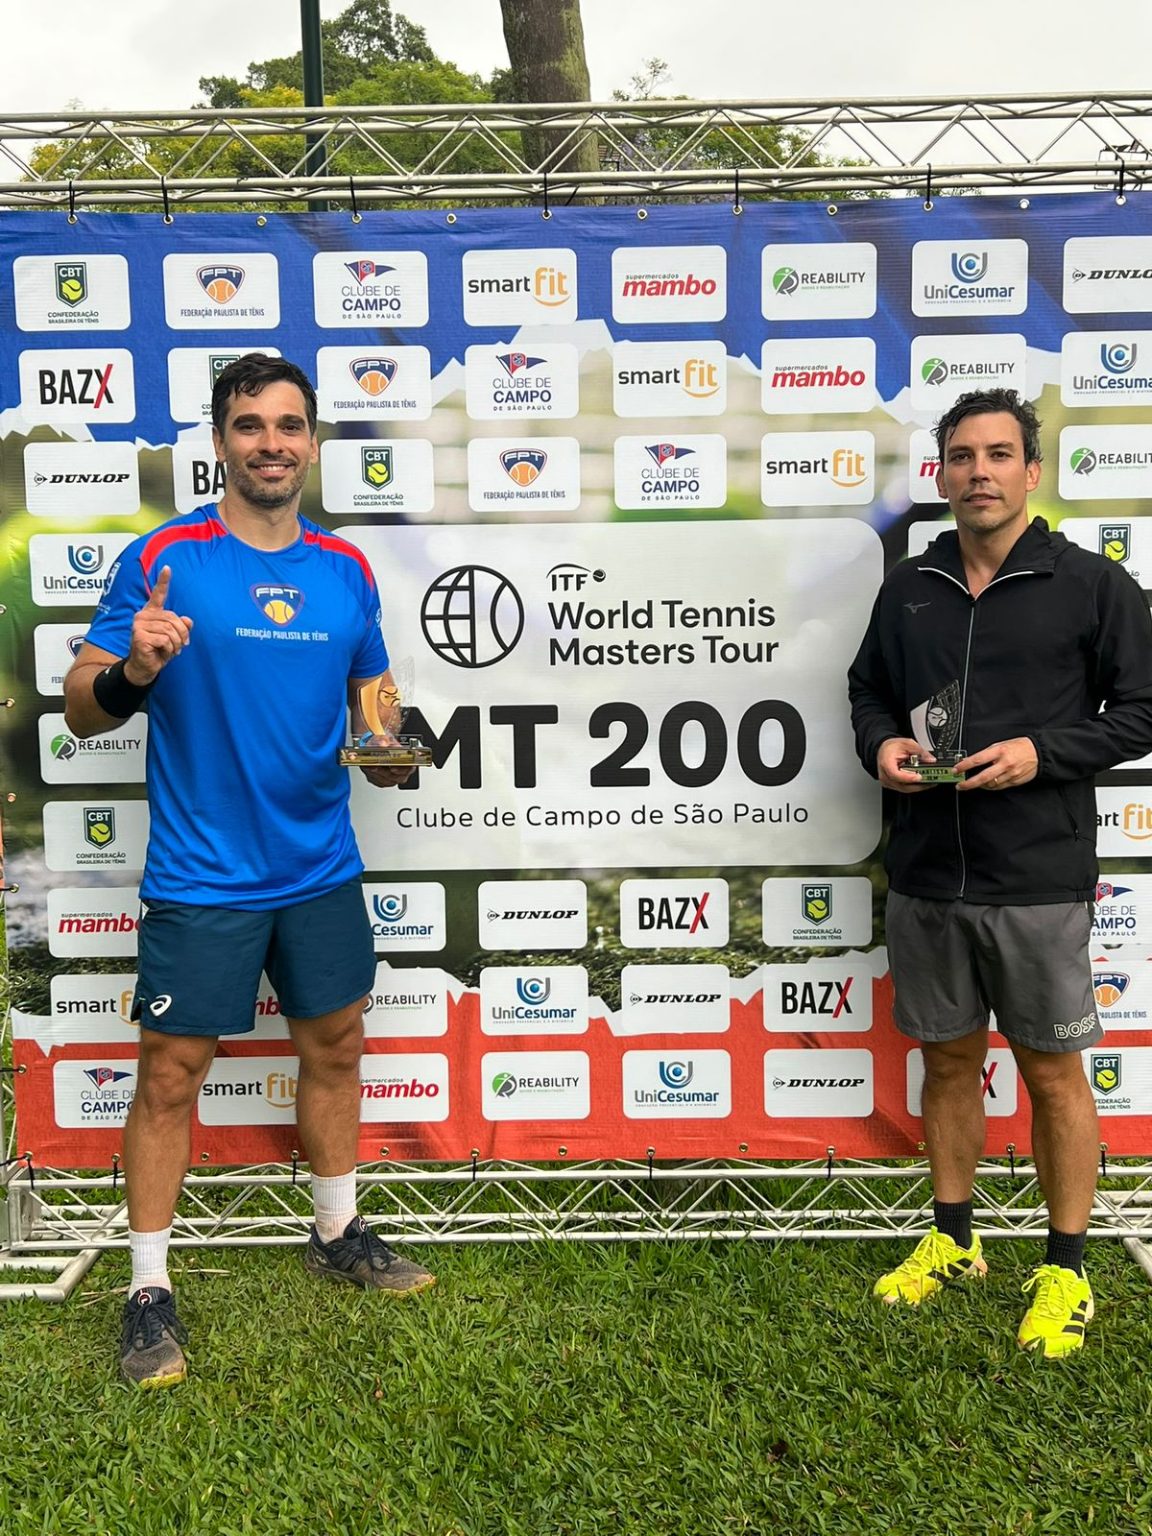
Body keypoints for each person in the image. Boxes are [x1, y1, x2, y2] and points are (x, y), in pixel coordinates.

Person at [65, 353, 435, 1390]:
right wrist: (133, 668)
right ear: (220, 441)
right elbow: (81, 707)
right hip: (203, 875)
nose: (271, 443)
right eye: (249, 425)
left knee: (336, 1046)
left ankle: (336, 1229)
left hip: (320, 866)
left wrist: (392, 750)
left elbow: (374, 707)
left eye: (288, 425)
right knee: (168, 1076)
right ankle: (148, 1287)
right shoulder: (165, 557)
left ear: (311, 442)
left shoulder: (346, 568)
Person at [848, 387, 1152, 1358]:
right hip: (928, 873)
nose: (979, 472)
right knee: (946, 1064)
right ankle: (953, 1242)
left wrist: (1043, 753)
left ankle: (1067, 1267)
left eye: (999, 454)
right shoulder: (911, 587)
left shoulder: (1092, 585)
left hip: (1036, 877)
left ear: (1032, 470)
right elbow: (866, 690)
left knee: (1054, 1076)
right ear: (941, 474)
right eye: (962, 456)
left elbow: (1142, 711)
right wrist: (881, 745)